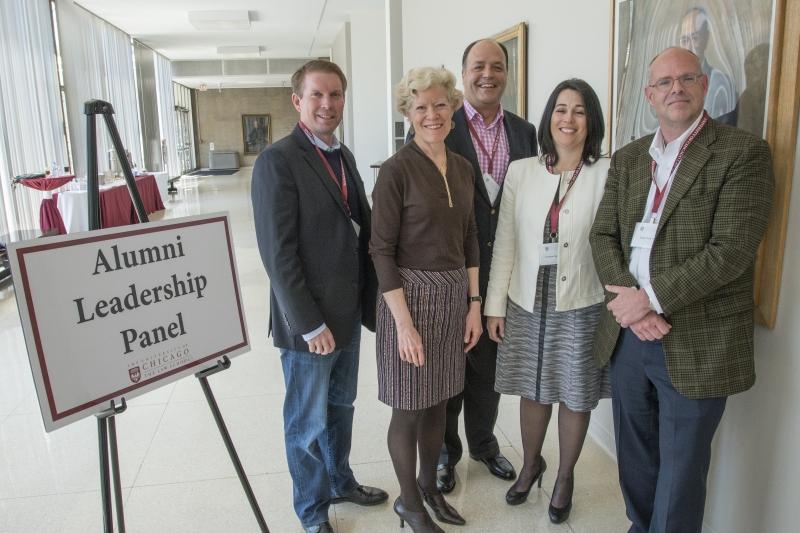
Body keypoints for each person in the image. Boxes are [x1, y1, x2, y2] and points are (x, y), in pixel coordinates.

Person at [589, 47, 774, 533]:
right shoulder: (629, 158)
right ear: (650, 95)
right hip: (629, 335)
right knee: (637, 459)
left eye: (686, 78)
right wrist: (632, 303)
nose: (676, 88)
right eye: (664, 82)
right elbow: (602, 235)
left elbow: (730, 251)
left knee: (681, 471)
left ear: (705, 84)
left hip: (698, 340)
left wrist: (649, 298)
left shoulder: (742, 153)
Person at [251, 59, 388, 533]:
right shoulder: (278, 160)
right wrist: (310, 325)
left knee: (341, 410)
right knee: (306, 424)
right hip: (310, 325)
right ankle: (312, 513)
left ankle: (340, 481)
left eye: (335, 95)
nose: (327, 104)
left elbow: (360, 231)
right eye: (317, 95)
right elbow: (278, 255)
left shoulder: (343, 156)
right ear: (298, 101)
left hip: (347, 315)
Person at [484, 79, 610, 522]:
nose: (568, 119)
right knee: (532, 387)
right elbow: (505, 243)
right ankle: (531, 464)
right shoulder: (522, 170)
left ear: (590, 119)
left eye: (579, 110)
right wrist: (494, 305)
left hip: (581, 299)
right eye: (560, 109)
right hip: (526, 296)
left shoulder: (606, 172)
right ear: (548, 117)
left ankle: (565, 476)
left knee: (575, 394)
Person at [371, 66, 482, 532]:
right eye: (421, 107)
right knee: (409, 406)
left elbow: (471, 235)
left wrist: (474, 304)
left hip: (454, 296)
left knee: (438, 402)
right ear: (408, 114)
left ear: (454, 109)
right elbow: (380, 250)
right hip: (409, 299)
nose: (432, 114)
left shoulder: (461, 167)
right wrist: (404, 324)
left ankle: (431, 488)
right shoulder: (396, 170)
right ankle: (410, 503)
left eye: (440, 104)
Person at [437, 38, 538, 493]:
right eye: (478, 66)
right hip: (450, 268)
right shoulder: (442, 124)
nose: (488, 75)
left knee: (490, 368)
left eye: (497, 66)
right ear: (464, 73)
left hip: (503, 273)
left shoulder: (526, 131)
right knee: (449, 368)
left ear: (507, 73)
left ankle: (483, 444)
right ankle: (445, 454)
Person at [679, 6, 736, 122]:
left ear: (706, 38)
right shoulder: (673, 84)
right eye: (684, 41)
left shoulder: (721, 83)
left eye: (694, 38)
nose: (689, 48)